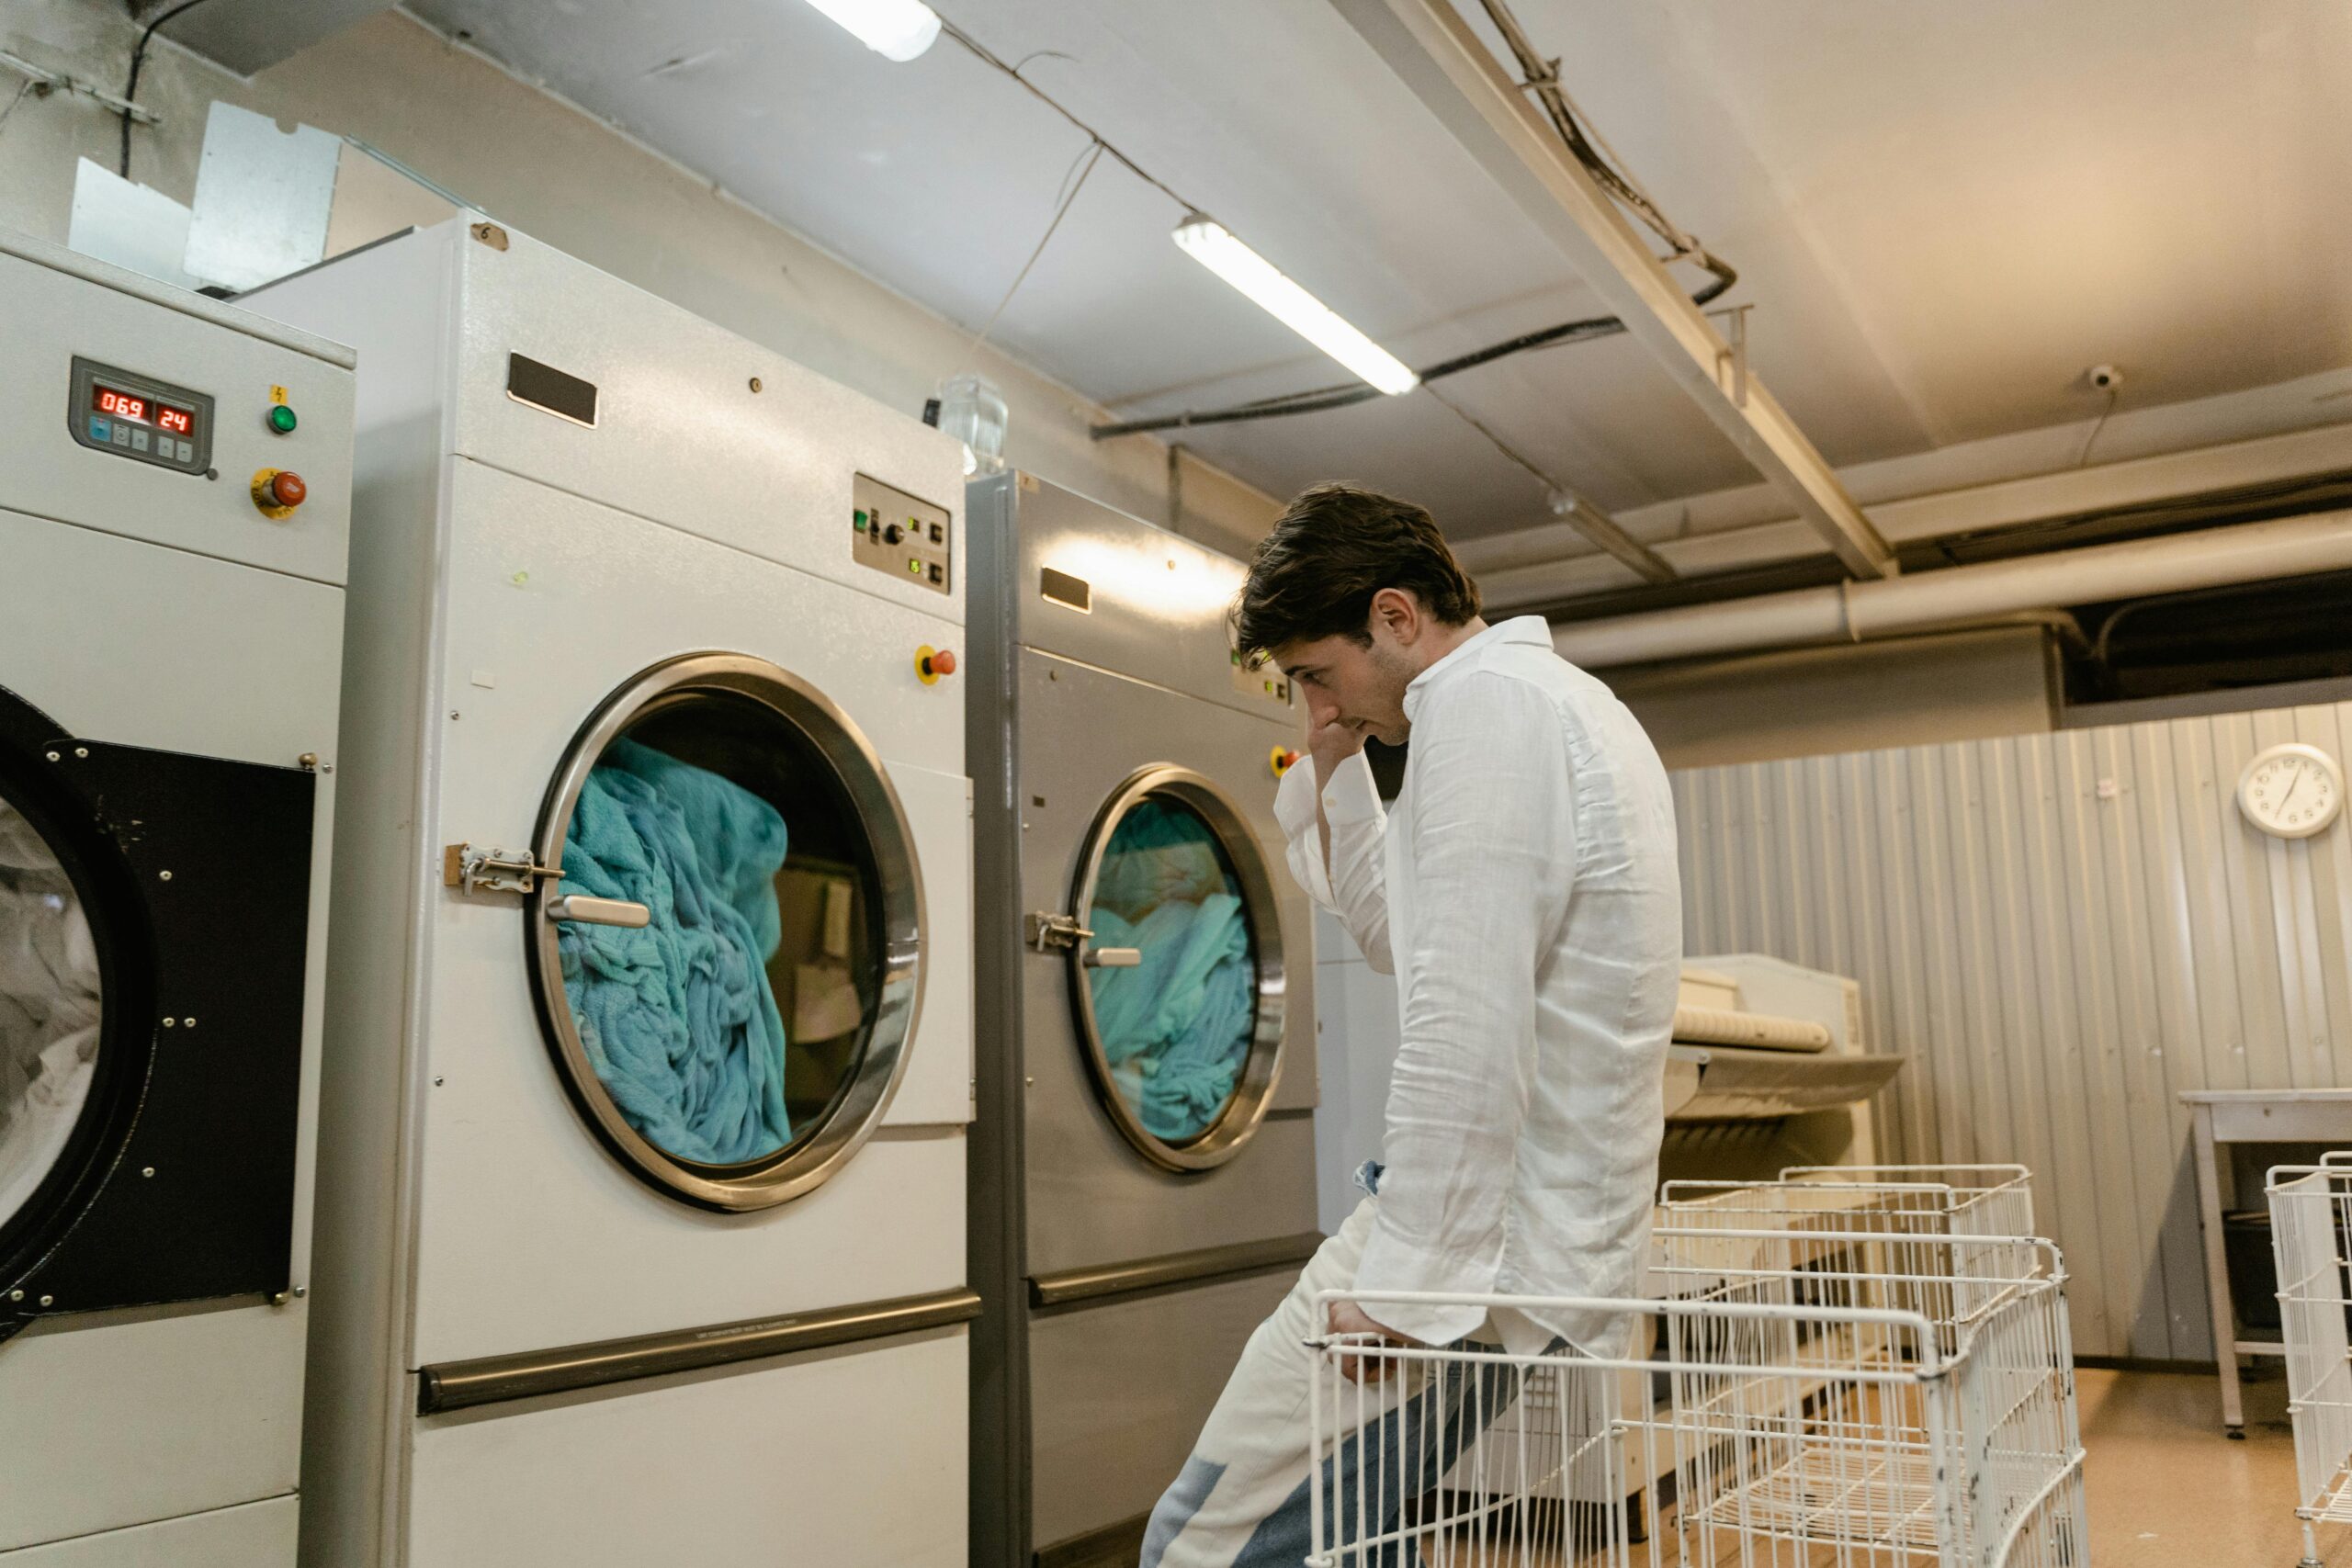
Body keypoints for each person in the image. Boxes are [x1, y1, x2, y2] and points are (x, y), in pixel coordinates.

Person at [1139, 483, 1680, 1567]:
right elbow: (1398, 932)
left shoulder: (1487, 710)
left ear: (1394, 617)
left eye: (1316, 677)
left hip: (1472, 1249)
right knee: (1347, 1542)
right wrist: (1333, 755)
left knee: (1197, 1550)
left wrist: (1405, 1288)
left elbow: (1465, 1019)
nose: (1317, 705)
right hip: (1512, 1241)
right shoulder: (1535, 704)